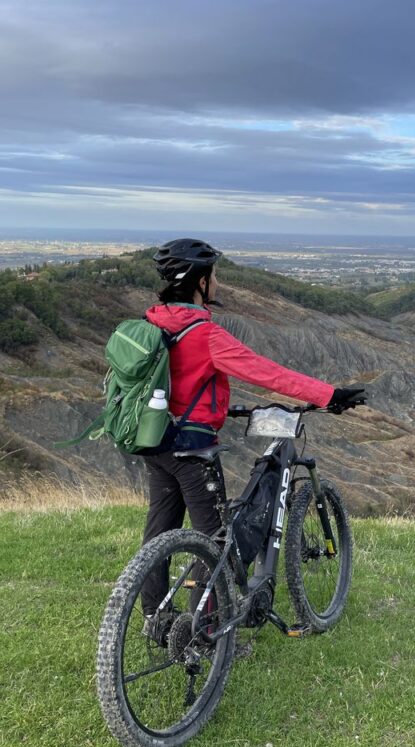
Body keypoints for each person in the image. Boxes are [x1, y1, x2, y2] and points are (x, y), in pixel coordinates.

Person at [139, 238, 364, 626]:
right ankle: (208, 631)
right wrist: (329, 394)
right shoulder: (204, 334)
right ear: (199, 281)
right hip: (192, 448)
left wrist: (225, 408)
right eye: (214, 275)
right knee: (217, 545)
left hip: (155, 440)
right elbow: (267, 372)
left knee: (159, 534)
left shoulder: (151, 323)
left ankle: (154, 619)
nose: (218, 282)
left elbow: (176, 384)